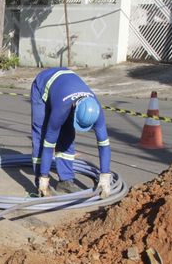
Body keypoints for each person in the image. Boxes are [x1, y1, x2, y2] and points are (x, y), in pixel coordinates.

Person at [30, 67, 112, 198]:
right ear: (74, 108)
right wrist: (44, 178)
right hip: (42, 86)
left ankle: (65, 181)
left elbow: (104, 144)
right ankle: (40, 182)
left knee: (68, 134)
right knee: (42, 134)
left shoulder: (96, 109)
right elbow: (48, 144)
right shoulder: (61, 109)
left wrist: (105, 177)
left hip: (65, 86)